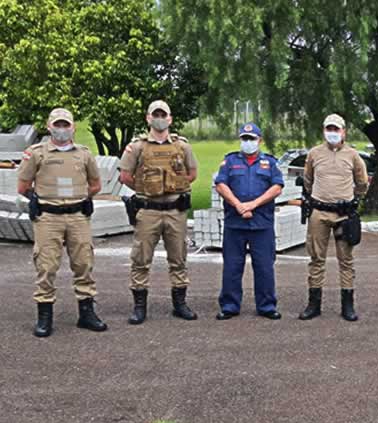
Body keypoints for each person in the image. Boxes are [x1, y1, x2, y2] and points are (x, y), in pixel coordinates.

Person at [17, 108, 107, 336]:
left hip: (78, 217)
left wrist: (79, 198)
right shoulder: (36, 154)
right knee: (46, 266)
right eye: (57, 125)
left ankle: (86, 313)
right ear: (49, 127)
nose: (62, 129)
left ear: (73, 127)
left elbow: (96, 185)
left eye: (66, 125)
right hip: (48, 218)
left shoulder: (84, 154)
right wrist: (42, 200)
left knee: (84, 264)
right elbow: (23, 187)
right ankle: (45, 316)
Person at [120, 100, 199, 324]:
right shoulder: (137, 147)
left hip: (175, 210)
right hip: (148, 211)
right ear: (148, 118)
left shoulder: (182, 146)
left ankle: (180, 303)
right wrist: (146, 189)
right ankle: (139, 306)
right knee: (141, 259)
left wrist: (171, 187)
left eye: (163, 114)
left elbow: (191, 174)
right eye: (155, 114)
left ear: (170, 119)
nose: (160, 118)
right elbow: (125, 176)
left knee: (179, 258)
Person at [298, 114, 368, 321]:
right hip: (319, 211)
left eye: (336, 129)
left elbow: (362, 182)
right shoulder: (314, 154)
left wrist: (353, 200)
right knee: (316, 258)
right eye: (329, 129)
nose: (333, 133)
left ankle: (348, 305)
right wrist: (315, 197)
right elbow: (308, 180)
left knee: (345, 259)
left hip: (343, 213)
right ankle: (314, 304)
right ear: (323, 131)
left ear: (343, 131)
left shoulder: (353, 155)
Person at [213, 123, 285, 320]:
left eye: (251, 139)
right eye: (244, 138)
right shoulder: (229, 161)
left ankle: (267, 306)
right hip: (235, 223)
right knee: (232, 267)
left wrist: (252, 204)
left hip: (261, 223)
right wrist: (238, 205)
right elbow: (220, 184)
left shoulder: (269, 163)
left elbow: (277, 187)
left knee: (264, 267)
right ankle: (229, 306)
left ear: (259, 140)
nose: (248, 142)